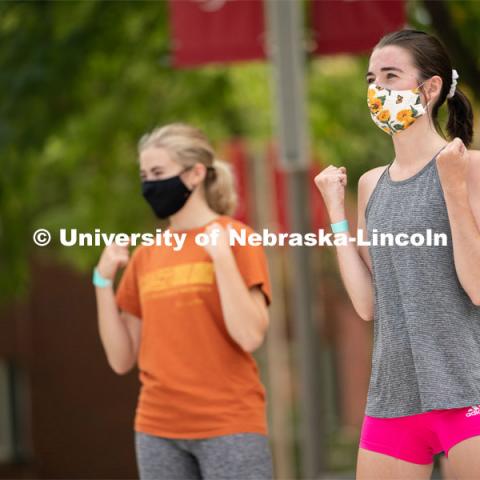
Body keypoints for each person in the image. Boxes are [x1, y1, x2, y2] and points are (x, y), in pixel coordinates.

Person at [314, 29, 480, 479]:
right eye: (371, 79)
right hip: (393, 397)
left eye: (391, 76)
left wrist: (452, 187)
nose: (377, 91)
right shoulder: (371, 185)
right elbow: (368, 305)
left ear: (430, 88)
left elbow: (478, 287)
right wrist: (336, 213)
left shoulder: (469, 166)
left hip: (469, 390)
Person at [93, 123, 274, 480]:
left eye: (158, 173)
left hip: (229, 424)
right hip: (157, 429)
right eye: (144, 175)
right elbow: (120, 358)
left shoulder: (237, 238)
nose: (149, 184)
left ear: (194, 174)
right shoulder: (146, 255)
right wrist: (102, 281)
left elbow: (251, 336)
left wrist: (221, 259)